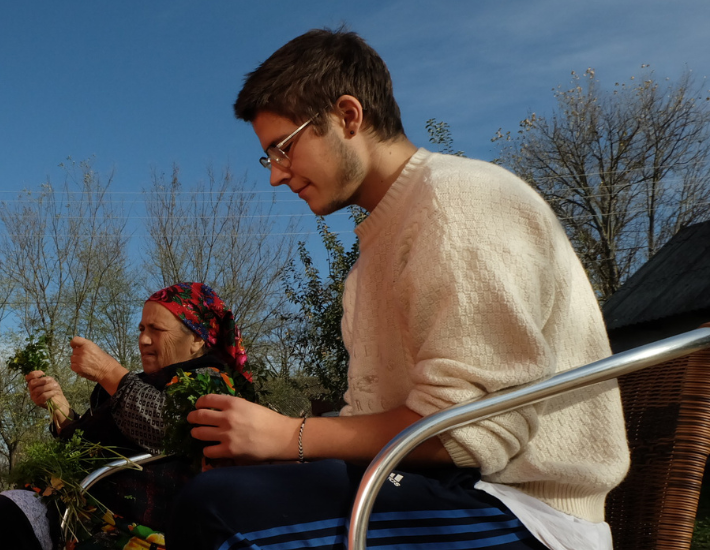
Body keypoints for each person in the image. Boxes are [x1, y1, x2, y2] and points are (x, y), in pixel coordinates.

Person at [166, 28, 629, 550]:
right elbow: (377, 423)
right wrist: (276, 451)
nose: (276, 175)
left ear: (348, 116)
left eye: (283, 148)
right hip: (442, 487)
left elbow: (469, 432)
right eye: (268, 157)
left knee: (216, 511)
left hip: (526, 514)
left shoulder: (459, 202)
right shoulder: (374, 253)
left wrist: (290, 436)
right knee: (228, 492)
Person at [0, 282, 251, 550]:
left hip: (141, 529)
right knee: (8, 512)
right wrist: (60, 408)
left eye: (156, 329)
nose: (143, 339)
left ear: (197, 340)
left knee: (8, 514)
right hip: (86, 514)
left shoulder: (212, 382)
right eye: (141, 328)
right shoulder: (136, 385)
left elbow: (166, 427)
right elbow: (87, 451)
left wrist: (108, 372)